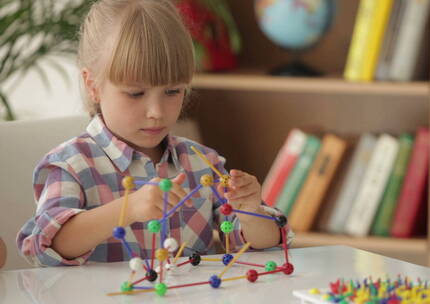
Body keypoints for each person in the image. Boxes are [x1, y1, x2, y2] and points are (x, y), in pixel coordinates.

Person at [17, 0, 290, 267]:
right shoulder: (70, 165)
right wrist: (129, 208)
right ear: (93, 85)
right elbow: (45, 245)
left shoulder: (202, 163)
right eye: (136, 93)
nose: (156, 112)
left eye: (172, 91)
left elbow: (260, 245)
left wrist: (252, 212)